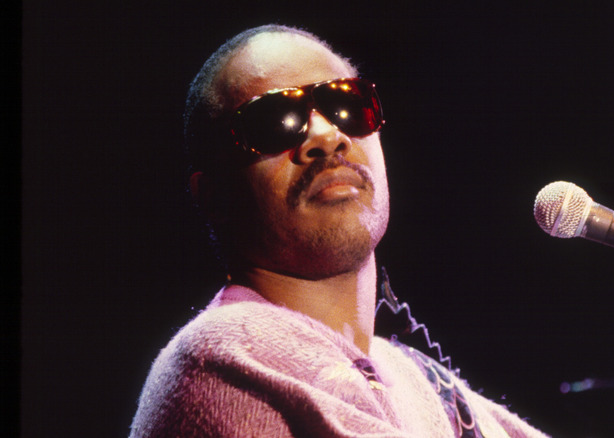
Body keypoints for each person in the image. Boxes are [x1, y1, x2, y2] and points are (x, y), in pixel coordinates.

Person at [130, 24, 548, 437]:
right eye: (275, 120)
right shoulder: (228, 353)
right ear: (215, 195)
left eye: (347, 103)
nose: (328, 136)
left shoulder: (415, 376)